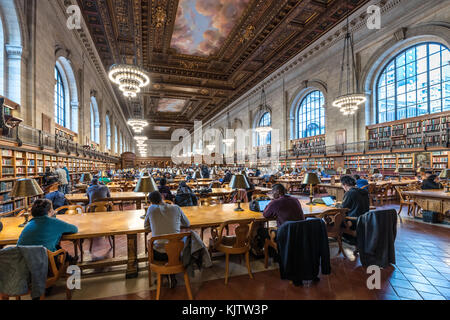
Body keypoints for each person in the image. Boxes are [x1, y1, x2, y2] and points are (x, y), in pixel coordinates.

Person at [144, 191, 190, 288]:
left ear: (150, 202)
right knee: (176, 242)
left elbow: (146, 227)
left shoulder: (151, 209)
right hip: (177, 252)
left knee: (153, 243)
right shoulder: (176, 208)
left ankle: (165, 273)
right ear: (162, 197)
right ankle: (171, 274)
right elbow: (187, 224)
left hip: (159, 255)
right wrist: (175, 223)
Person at [17, 199, 78, 264]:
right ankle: (71, 262)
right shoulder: (54, 222)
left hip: (24, 264)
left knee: (55, 246)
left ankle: (70, 260)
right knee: (58, 249)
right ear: (50, 211)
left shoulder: (28, 224)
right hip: (46, 264)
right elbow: (74, 229)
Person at [339, 175, 370, 244]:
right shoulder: (364, 191)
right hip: (366, 219)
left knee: (335, 220)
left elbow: (343, 208)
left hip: (354, 221)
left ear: (345, 185)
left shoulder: (350, 193)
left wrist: (337, 205)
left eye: (342, 185)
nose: (342, 187)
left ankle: (342, 238)